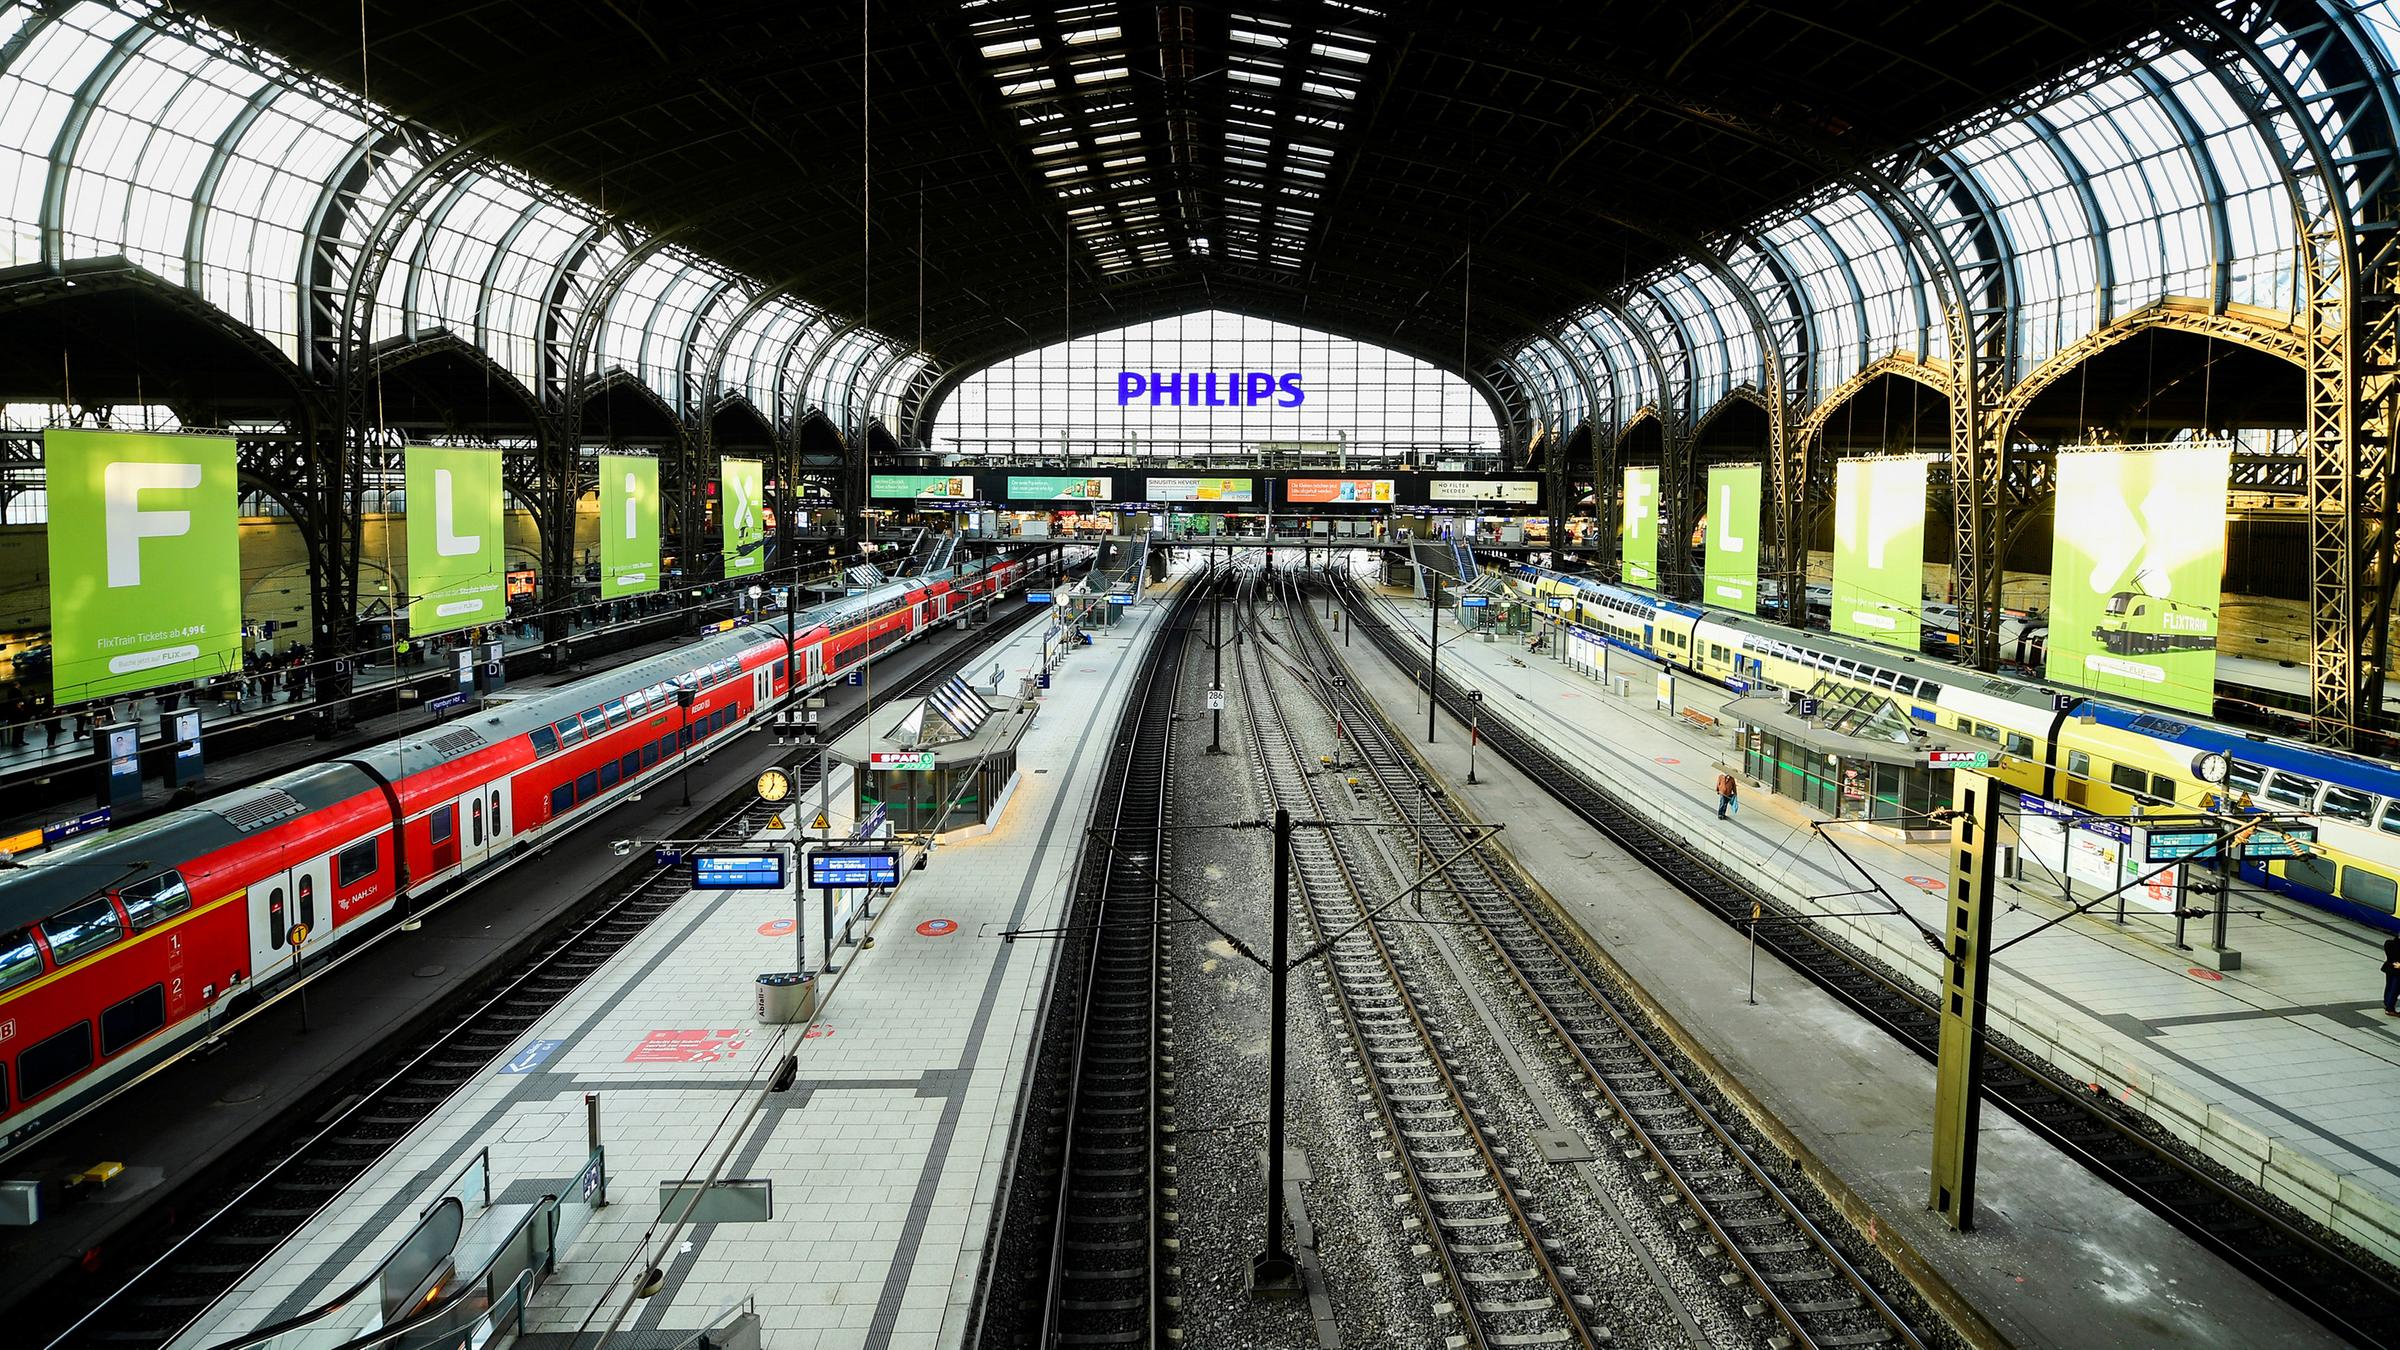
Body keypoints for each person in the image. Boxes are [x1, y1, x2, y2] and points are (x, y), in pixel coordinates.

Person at [2385, 933, 2400, 1018]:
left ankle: (2387, 1003)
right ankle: (2390, 1009)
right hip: (2398, 971)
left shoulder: (2389, 943)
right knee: (2395, 990)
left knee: (2389, 987)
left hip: (2389, 967)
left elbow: (2390, 957)